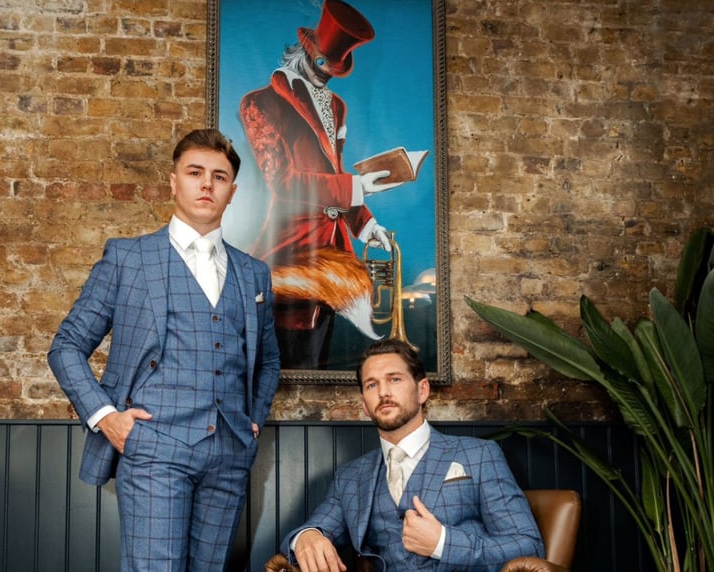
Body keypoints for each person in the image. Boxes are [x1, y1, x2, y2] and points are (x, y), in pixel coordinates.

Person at [47, 128, 281, 571]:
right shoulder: (128, 258)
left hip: (230, 454)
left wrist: (253, 419)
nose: (207, 184)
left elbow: (268, 360)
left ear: (232, 191)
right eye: (195, 173)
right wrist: (107, 418)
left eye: (219, 176)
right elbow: (67, 346)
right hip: (153, 448)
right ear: (174, 182)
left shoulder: (254, 274)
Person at [281, 339, 544, 571]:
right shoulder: (351, 477)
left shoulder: (479, 456)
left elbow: (528, 545)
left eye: (394, 379)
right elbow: (314, 528)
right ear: (364, 405)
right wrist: (306, 536)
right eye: (372, 385)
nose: (383, 392)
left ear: (422, 391)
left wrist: (442, 543)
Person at [239, 0, 397, 369]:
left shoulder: (336, 106)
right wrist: (356, 188)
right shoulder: (260, 103)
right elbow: (282, 181)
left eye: (335, 70)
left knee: (318, 362)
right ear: (304, 55)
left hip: (334, 254)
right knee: (290, 359)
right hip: (291, 247)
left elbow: (333, 170)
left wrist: (365, 224)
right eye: (325, 66)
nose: (328, 77)